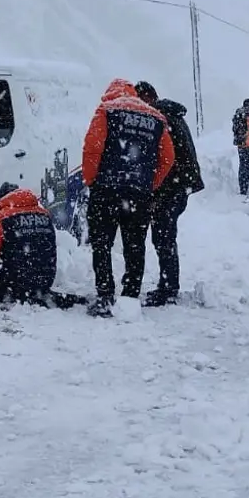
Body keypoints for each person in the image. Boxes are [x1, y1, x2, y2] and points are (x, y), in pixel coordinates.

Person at [81, 78, 175, 318]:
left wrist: (92, 180)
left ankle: (105, 294)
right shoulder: (155, 117)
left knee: (102, 244)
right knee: (135, 245)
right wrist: (148, 184)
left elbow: (92, 148)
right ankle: (131, 294)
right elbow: (168, 158)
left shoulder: (106, 110)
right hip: (139, 195)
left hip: (106, 190)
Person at [134, 82, 204, 306]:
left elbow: (167, 162)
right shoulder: (170, 115)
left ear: (148, 98)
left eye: (140, 101)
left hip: (173, 187)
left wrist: (155, 193)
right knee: (164, 236)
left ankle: (169, 288)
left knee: (163, 237)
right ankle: (168, 284)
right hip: (179, 185)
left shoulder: (163, 119)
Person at [0, 182, 57, 305]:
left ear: (2, 198)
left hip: (17, 281)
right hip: (46, 279)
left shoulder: (2, 217)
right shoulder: (44, 214)